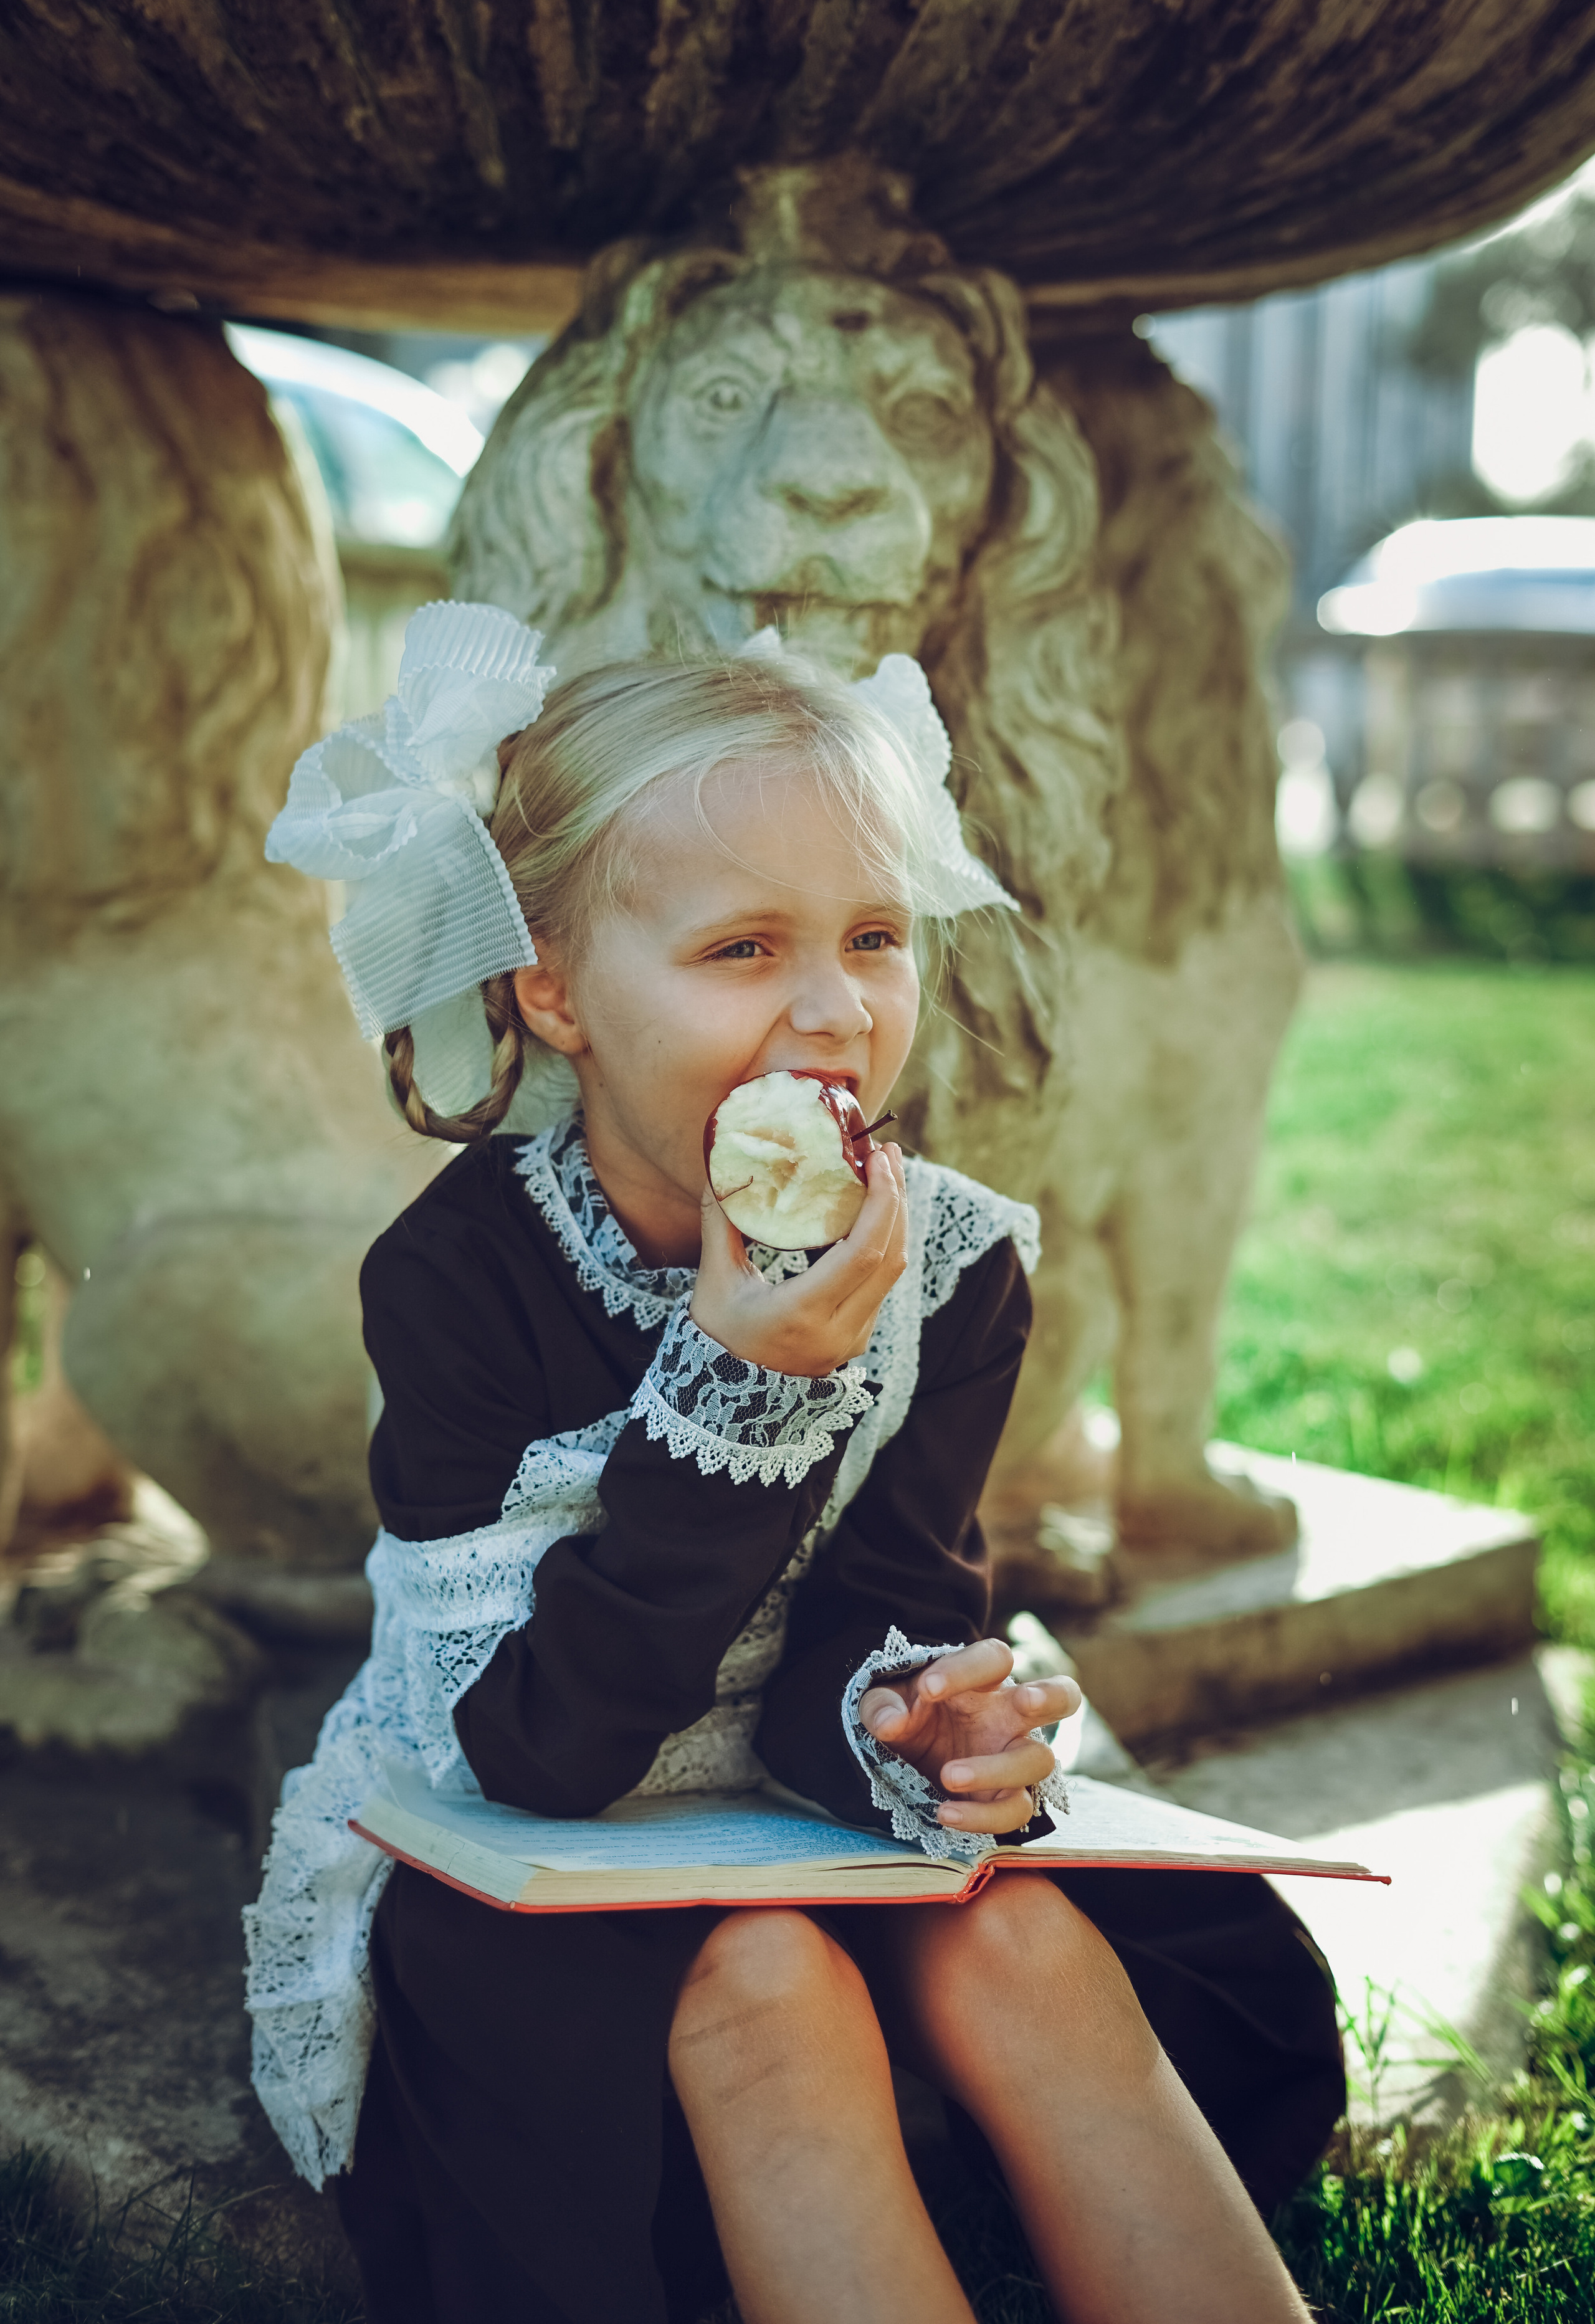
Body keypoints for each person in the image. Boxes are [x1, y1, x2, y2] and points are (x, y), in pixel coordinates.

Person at [246, 602, 1341, 2324]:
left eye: (877, 937)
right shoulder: (458, 1282)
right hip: (535, 1819)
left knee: (1019, 1938)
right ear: (554, 990)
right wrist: (737, 1394)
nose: (834, 1012)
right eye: (743, 950)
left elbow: (884, 1602)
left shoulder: (953, 1267)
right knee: (771, 1985)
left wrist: (916, 1720)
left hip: (791, 1793)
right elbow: (535, 1746)